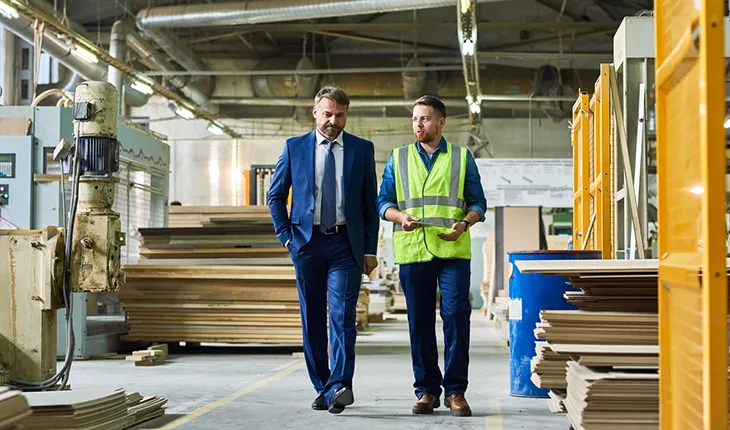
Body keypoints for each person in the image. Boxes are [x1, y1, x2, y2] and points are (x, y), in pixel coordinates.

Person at [268, 86, 379, 414]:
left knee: (343, 316)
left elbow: (369, 205)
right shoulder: (294, 148)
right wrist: (287, 238)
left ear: (346, 115)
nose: (333, 120)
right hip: (307, 244)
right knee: (312, 317)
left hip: (346, 245)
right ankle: (323, 385)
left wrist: (369, 250)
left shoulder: (361, 150)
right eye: (328, 114)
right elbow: (275, 196)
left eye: (340, 115)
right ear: (315, 112)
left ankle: (341, 385)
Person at [376, 95, 487, 417]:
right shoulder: (398, 158)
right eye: (414, 119)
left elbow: (478, 202)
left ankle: (455, 391)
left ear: (441, 122)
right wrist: (400, 218)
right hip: (413, 250)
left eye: (424, 119)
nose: (418, 125)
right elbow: (383, 202)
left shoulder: (462, 157)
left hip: (452, 248)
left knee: (456, 316)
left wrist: (465, 223)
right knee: (419, 322)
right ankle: (426, 390)